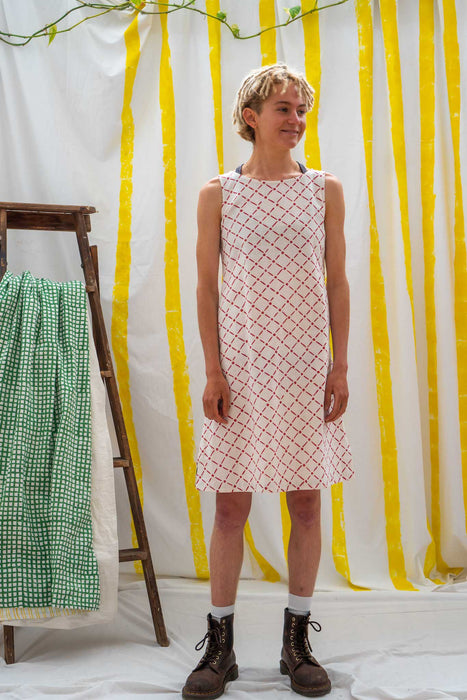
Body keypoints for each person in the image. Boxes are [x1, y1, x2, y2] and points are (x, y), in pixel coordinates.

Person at [183, 63, 354, 699]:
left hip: (306, 366)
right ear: (251, 117)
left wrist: (340, 364)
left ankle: (296, 643)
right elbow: (206, 287)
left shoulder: (323, 189)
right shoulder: (218, 194)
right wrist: (214, 369)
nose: (297, 119)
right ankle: (220, 647)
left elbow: (338, 280)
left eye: (302, 109)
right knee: (230, 505)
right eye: (284, 108)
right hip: (242, 366)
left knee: (306, 502)